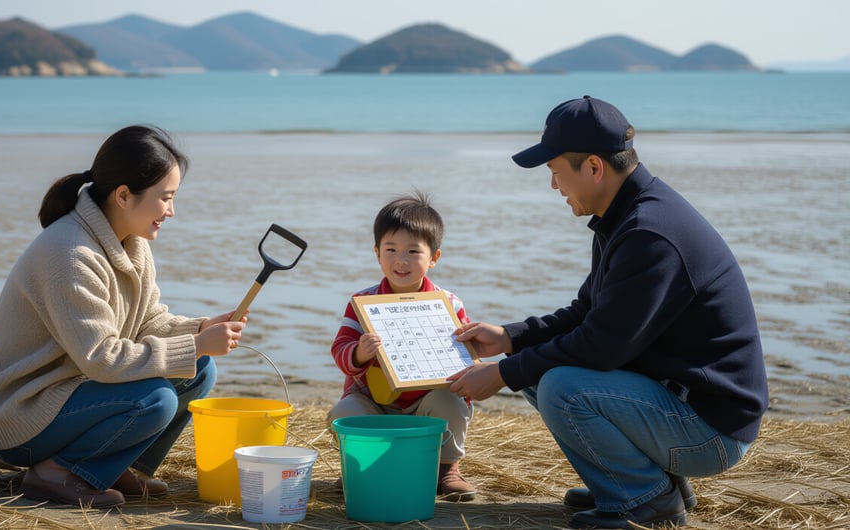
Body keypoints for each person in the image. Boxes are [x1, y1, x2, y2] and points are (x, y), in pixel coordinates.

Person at [448, 96, 768, 529]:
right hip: (683, 405)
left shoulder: (649, 233)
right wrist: (510, 338)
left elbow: (601, 348)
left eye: (556, 173)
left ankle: (647, 500)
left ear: (594, 168)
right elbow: (587, 313)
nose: (555, 187)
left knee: (561, 383)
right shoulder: (625, 216)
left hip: (711, 432)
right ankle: (649, 481)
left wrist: (503, 375)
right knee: (538, 367)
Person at [0, 125, 247, 509]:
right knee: (156, 400)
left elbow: (148, 320)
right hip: (22, 416)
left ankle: (112, 466)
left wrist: (199, 331)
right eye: (165, 198)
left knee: (200, 369)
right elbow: (102, 358)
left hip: (69, 396)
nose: (171, 210)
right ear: (123, 196)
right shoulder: (70, 253)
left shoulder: (131, 242)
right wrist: (197, 343)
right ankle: (57, 472)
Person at [328, 192, 477, 502]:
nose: (401, 260)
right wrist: (359, 353)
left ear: (434, 258)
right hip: (374, 400)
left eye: (413, 251)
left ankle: (446, 467)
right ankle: (360, 466)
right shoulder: (363, 302)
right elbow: (340, 350)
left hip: (426, 400)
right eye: (391, 249)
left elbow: (464, 355)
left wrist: (468, 353)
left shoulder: (448, 304)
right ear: (377, 253)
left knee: (450, 403)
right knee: (344, 412)